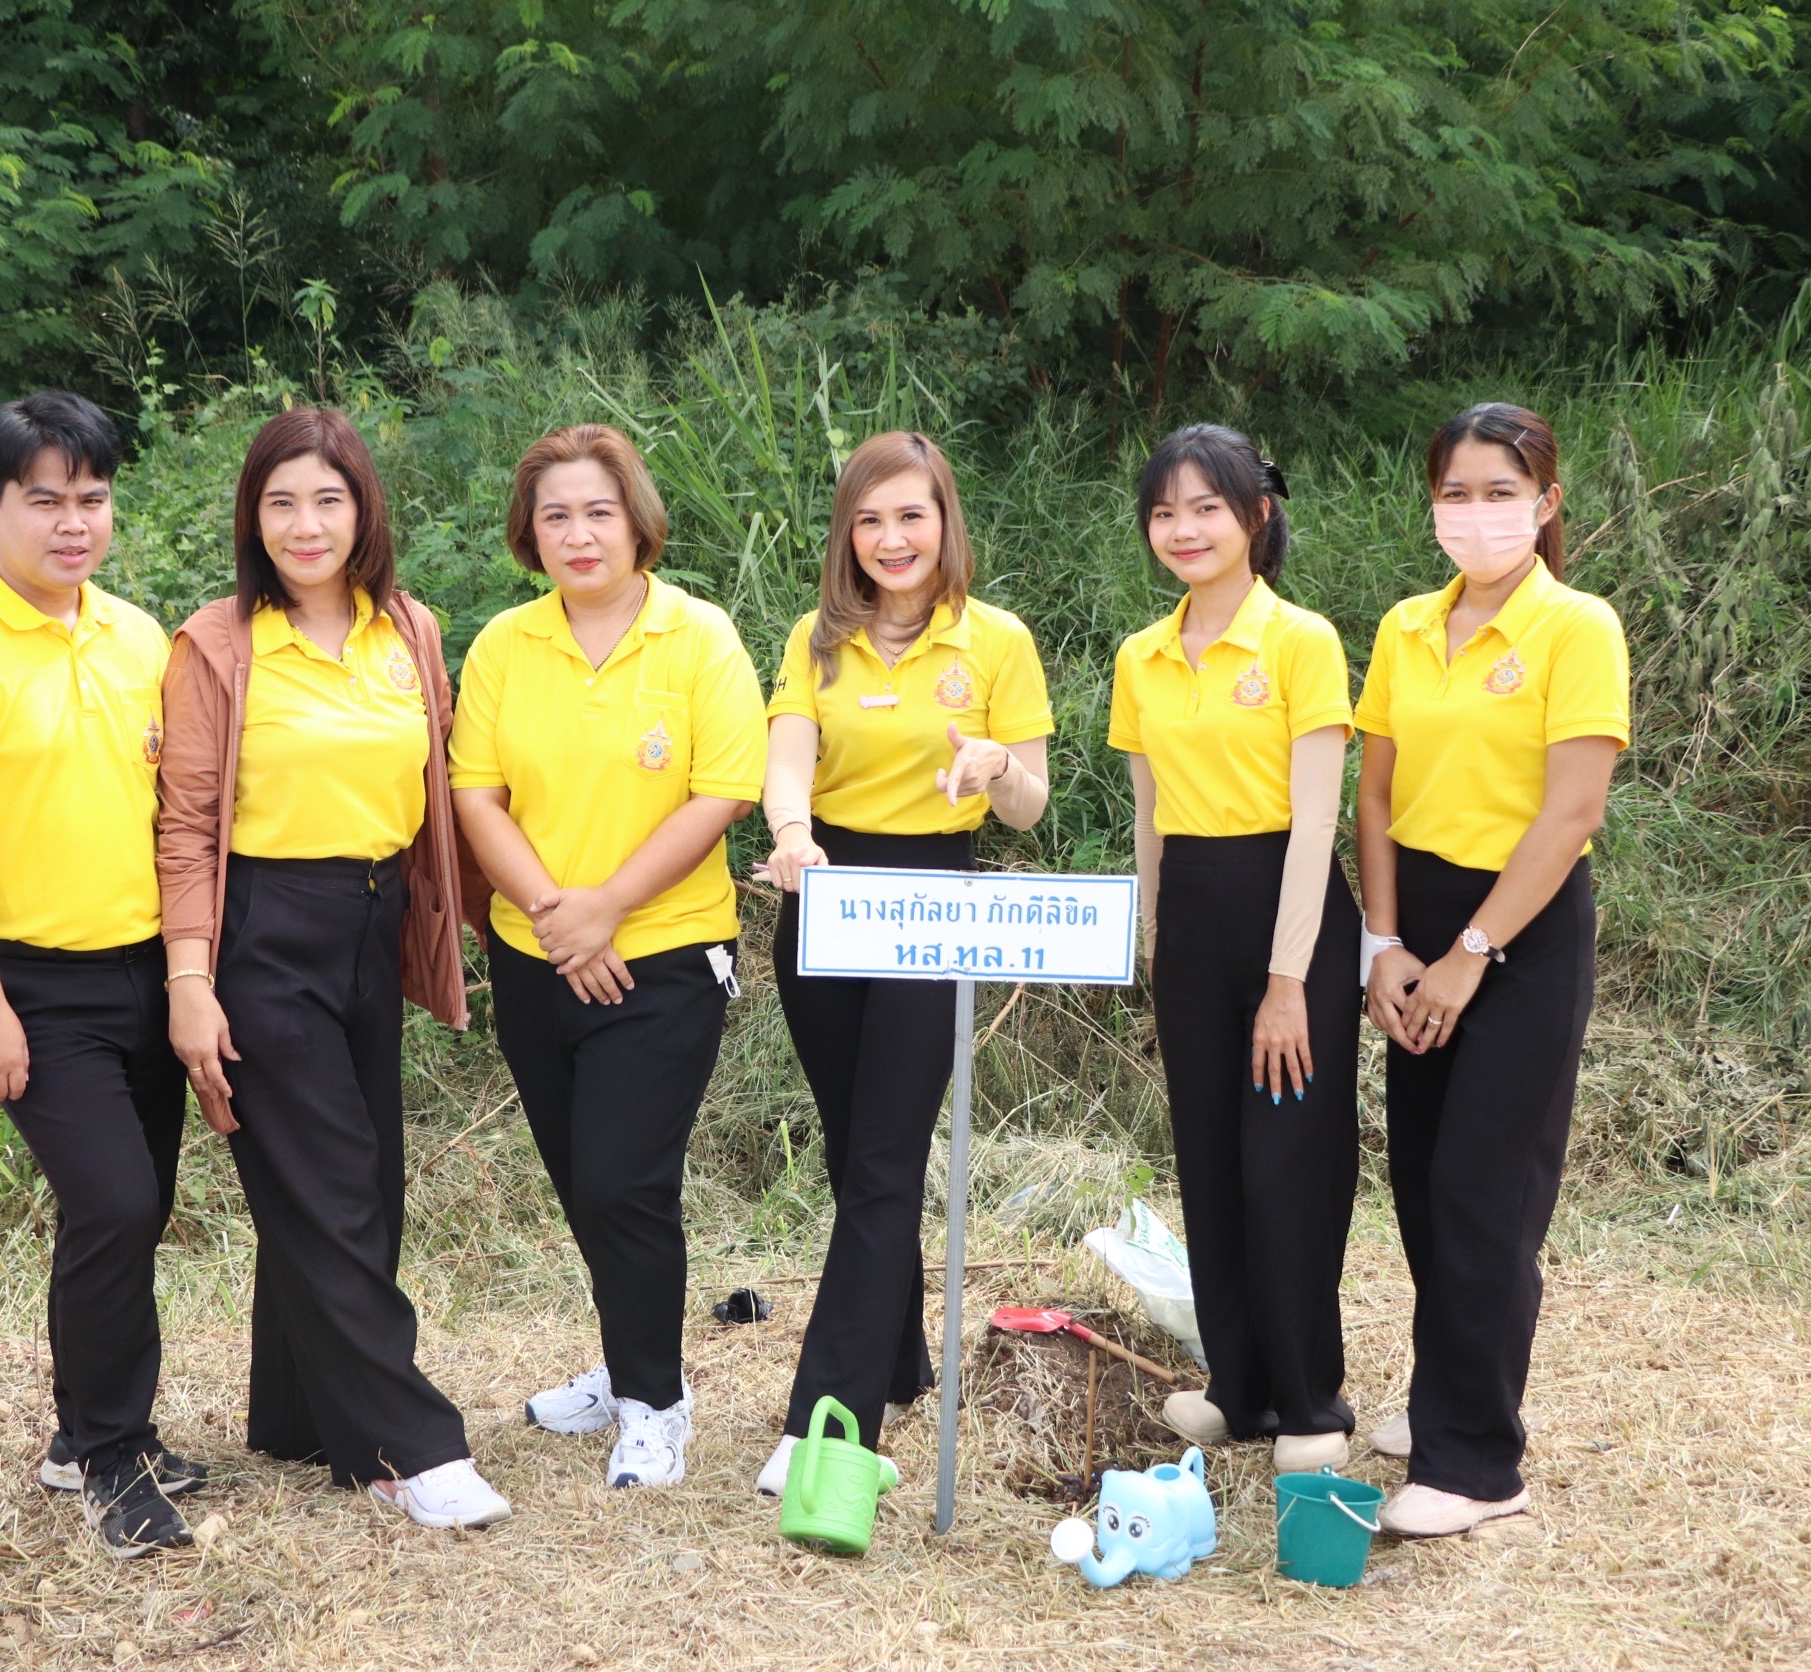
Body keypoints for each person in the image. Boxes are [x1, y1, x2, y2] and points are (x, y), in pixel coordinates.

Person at [154, 407, 510, 1530]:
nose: (305, 525)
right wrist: (189, 982)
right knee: (328, 1184)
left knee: (366, 1181)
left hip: (373, 920)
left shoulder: (408, 628)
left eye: (327, 499)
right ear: (251, 519)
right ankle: (411, 1445)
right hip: (265, 928)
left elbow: (439, 790)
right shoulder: (216, 645)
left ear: (363, 511)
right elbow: (186, 826)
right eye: (280, 502)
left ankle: (300, 1411)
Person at [0, 391, 203, 1558]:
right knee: (113, 1203)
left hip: (145, 969)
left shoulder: (140, 638)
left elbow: (178, 815)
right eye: (45, 500)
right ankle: (113, 1458)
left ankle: (85, 1432)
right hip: (33, 985)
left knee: (137, 1204)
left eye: (93, 499)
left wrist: (188, 973)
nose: (73, 523)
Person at [448, 424, 766, 1489]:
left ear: (637, 521)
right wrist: (555, 915)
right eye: (556, 516)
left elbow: (723, 793)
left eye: (598, 511)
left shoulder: (699, 636)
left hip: (663, 955)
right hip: (535, 953)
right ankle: (629, 1359)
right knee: (583, 1181)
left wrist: (608, 909)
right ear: (529, 533)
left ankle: (656, 1403)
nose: (579, 534)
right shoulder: (505, 645)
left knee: (625, 1181)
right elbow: (475, 795)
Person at [749, 431, 1052, 1496]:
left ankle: (830, 1422)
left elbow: (1029, 805)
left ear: (944, 521)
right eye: (870, 519)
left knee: (885, 1158)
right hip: (827, 896)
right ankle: (897, 1353)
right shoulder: (817, 639)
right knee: (853, 1152)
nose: (891, 538)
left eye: (910, 515)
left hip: (934, 903)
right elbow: (789, 761)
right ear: (848, 532)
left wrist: (998, 765)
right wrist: (792, 834)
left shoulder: (997, 639)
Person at [1356, 402, 1630, 1537]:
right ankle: (1449, 1397)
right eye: (1455, 494)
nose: (1476, 514)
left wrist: (1470, 954)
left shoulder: (1577, 627)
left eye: (1500, 493)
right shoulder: (1407, 627)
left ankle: (1476, 1464)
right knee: (1424, 1182)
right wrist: (1383, 943)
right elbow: (1376, 792)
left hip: (1520, 930)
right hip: (1417, 919)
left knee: (1487, 1187)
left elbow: (1571, 814)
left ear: (1545, 503)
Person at [1106, 425, 1360, 1474]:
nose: (1184, 529)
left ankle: (1310, 1400)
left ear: (1256, 514)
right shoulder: (1141, 655)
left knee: (1286, 1164)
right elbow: (1149, 816)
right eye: (1165, 511)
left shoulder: (1301, 641)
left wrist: (1287, 979)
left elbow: (1316, 823)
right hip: (1193, 921)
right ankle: (1238, 1388)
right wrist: (1155, 939)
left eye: (1206, 507)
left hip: (1290, 915)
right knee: (1209, 1160)